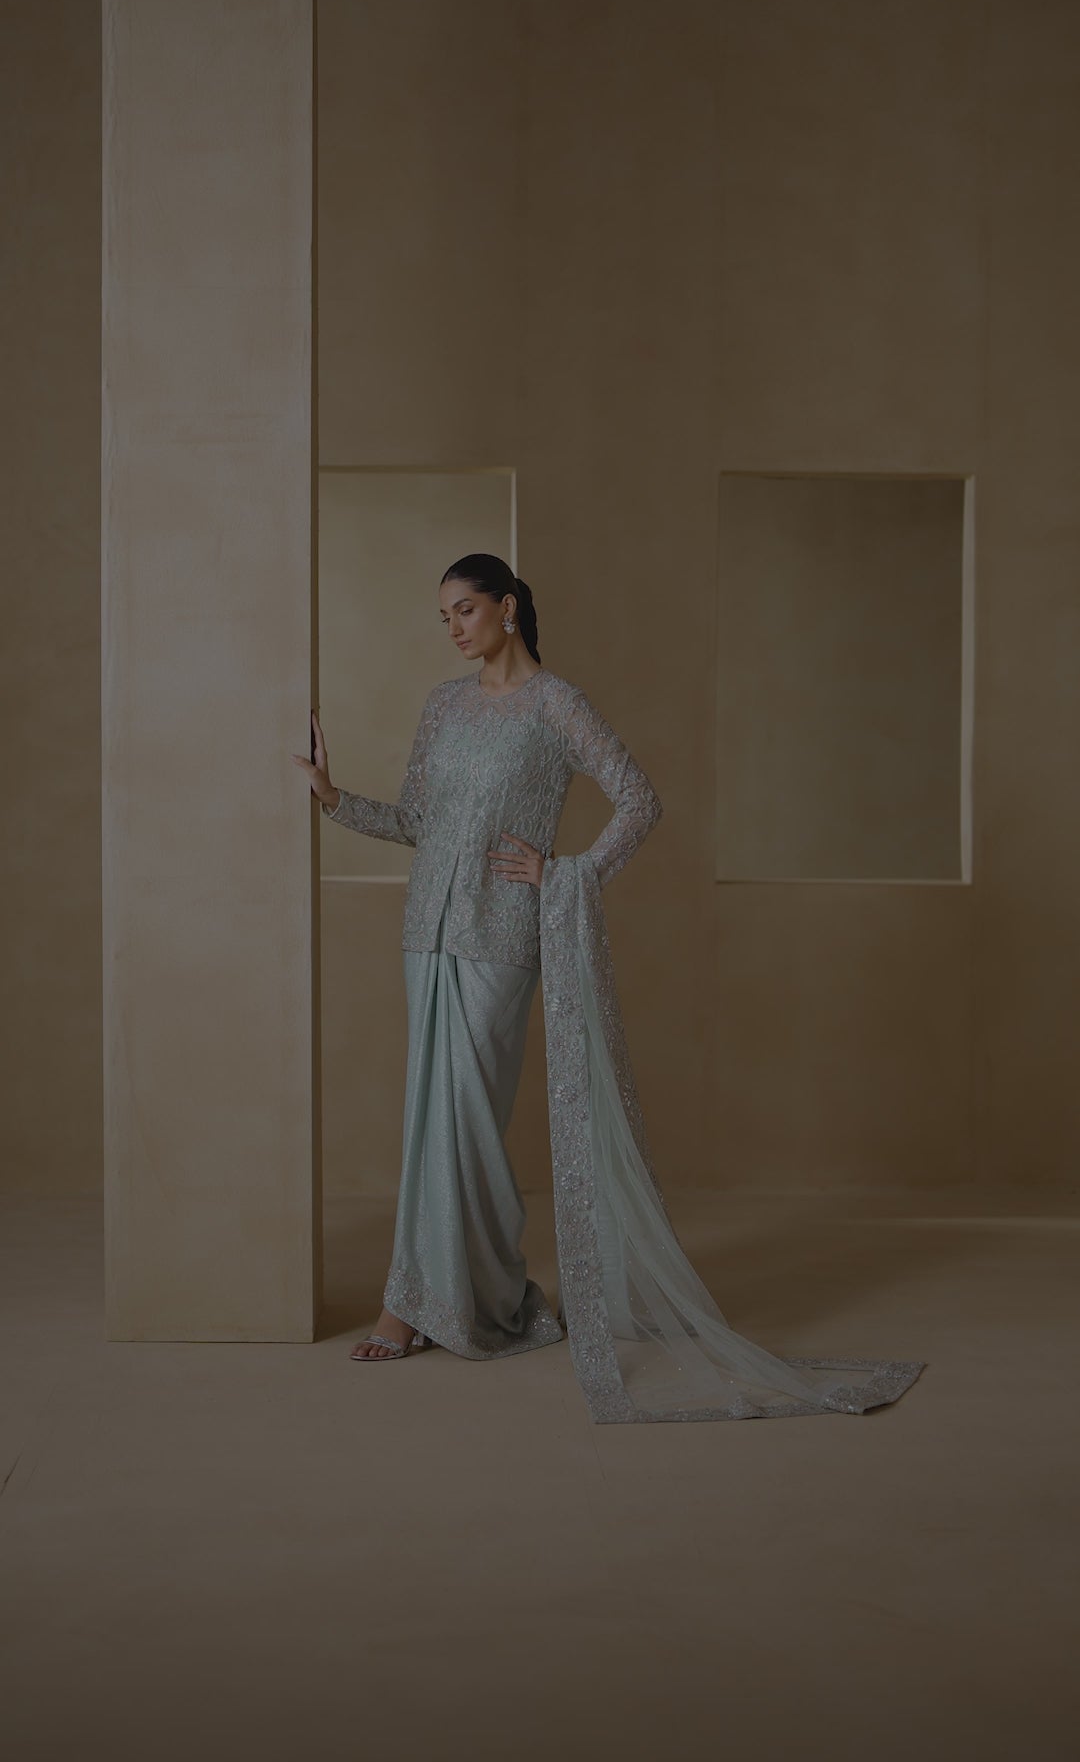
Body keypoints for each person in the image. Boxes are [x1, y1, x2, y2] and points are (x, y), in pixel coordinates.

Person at [294, 554, 924, 1424]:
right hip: (425, 936)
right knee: (427, 1118)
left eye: (465, 609)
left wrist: (569, 872)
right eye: (444, 616)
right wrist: (333, 798)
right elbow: (417, 822)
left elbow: (639, 799)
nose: (453, 628)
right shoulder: (442, 705)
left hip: (501, 935)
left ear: (507, 608)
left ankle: (476, 1300)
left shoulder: (557, 704)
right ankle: (418, 1301)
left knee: (468, 1121)